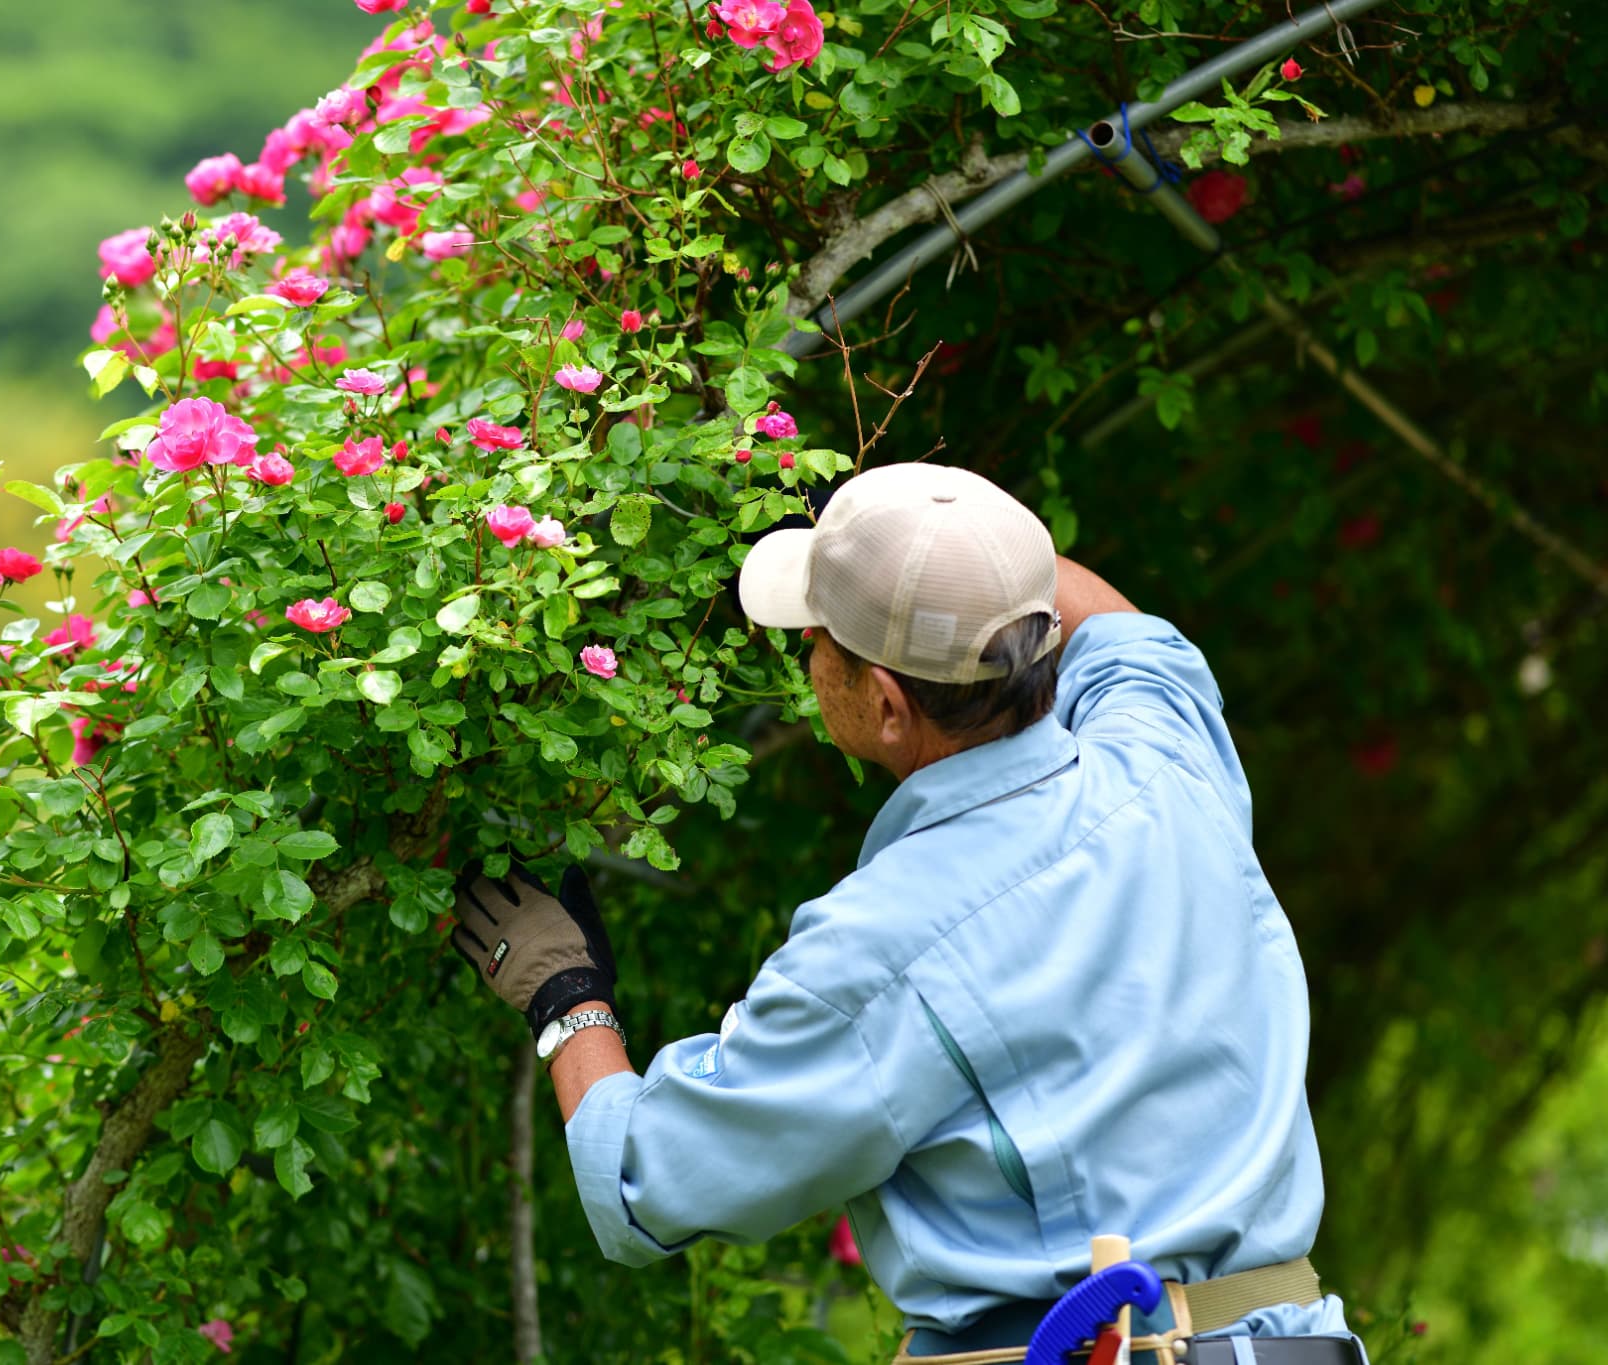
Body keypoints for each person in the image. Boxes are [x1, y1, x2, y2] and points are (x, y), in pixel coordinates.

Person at [451, 464, 1367, 1365]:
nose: (810, 648)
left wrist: (565, 993)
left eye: (821, 637)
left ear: (887, 705)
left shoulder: (883, 948)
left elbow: (650, 1177)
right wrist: (928, 535)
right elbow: (1130, 633)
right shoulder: (1164, 760)